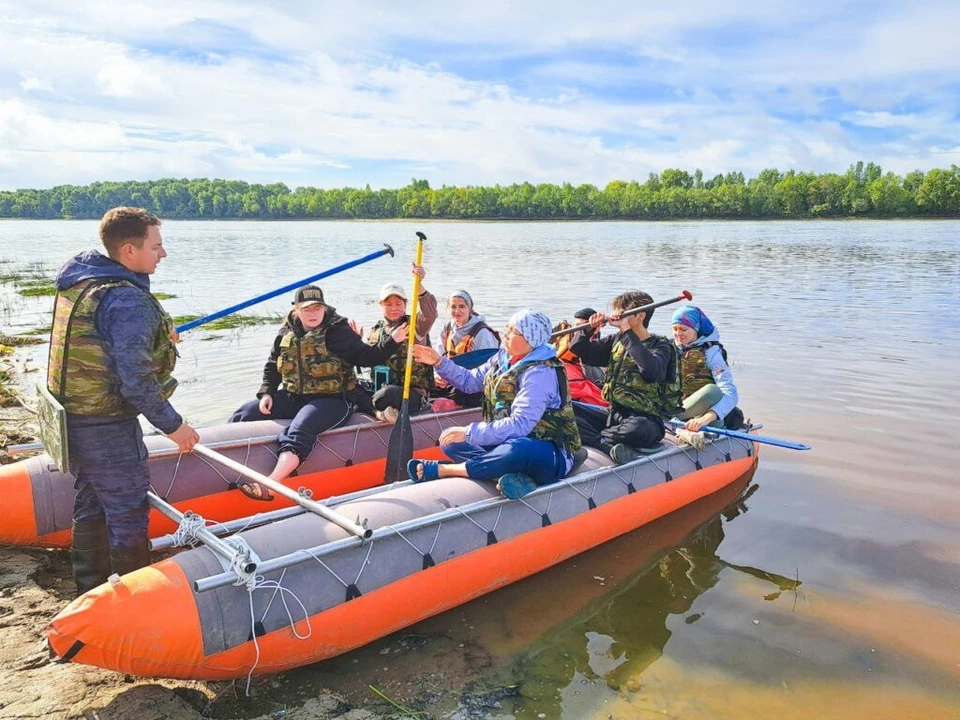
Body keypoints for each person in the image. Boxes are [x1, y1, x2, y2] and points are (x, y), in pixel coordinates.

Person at [47, 206, 200, 596]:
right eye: (156, 245)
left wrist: (159, 337)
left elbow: (108, 346)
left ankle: (90, 587)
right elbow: (136, 381)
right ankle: (130, 598)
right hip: (106, 423)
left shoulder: (84, 282)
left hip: (73, 417)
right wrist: (175, 426)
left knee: (92, 497)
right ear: (129, 252)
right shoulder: (125, 300)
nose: (162, 254)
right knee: (128, 508)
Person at [230, 285, 409, 490]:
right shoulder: (286, 330)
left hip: (333, 399)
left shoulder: (337, 331)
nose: (313, 313)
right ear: (296, 309)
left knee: (301, 427)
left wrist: (392, 342)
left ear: (324, 308)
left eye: (317, 308)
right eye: (307, 309)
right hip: (294, 396)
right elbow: (273, 364)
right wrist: (267, 392)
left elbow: (367, 357)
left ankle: (272, 484)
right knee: (244, 413)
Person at [408, 309, 582, 499]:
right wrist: (439, 363)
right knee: (448, 441)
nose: (505, 334)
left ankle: (446, 469)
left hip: (546, 450)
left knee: (518, 450)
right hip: (503, 441)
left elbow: (520, 425)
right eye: (507, 328)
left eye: (513, 331)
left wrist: (468, 432)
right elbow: (469, 382)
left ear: (531, 340)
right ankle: (502, 475)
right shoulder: (502, 358)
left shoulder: (540, 374)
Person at [569, 290, 681, 465]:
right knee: (565, 409)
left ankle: (596, 437)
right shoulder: (616, 341)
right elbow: (579, 349)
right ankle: (603, 443)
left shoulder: (661, 345)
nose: (616, 317)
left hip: (645, 419)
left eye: (622, 314)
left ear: (640, 316)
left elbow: (651, 372)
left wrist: (626, 331)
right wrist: (589, 329)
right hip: (612, 414)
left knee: (638, 429)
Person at [362, 265, 437, 422]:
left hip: (410, 393)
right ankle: (381, 412)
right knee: (356, 387)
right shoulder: (376, 330)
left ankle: (383, 410)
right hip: (381, 387)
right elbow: (367, 359)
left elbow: (430, 314)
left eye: (398, 304)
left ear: (405, 304)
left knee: (387, 394)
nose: (393, 308)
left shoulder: (416, 326)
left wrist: (420, 286)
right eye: (388, 304)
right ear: (380, 305)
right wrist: (356, 342)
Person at [671, 304, 743, 430]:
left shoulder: (712, 353)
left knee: (713, 391)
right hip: (682, 407)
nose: (678, 334)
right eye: (675, 329)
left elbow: (731, 394)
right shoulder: (670, 348)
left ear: (696, 329)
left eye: (683, 330)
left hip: (707, 414)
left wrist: (706, 418)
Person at [434, 289, 501, 408]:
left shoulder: (482, 333)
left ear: (470, 309)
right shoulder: (447, 328)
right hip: (450, 378)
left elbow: (488, 371)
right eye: (453, 307)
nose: (457, 311)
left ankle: (455, 408)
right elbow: (438, 356)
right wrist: (438, 376)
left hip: (472, 382)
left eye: (462, 306)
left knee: (459, 392)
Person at [552, 307, 608, 406]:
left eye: (581, 327)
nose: (577, 331)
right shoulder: (561, 349)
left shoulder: (599, 348)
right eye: (576, 326)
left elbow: (596, 378)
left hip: (590, 395)